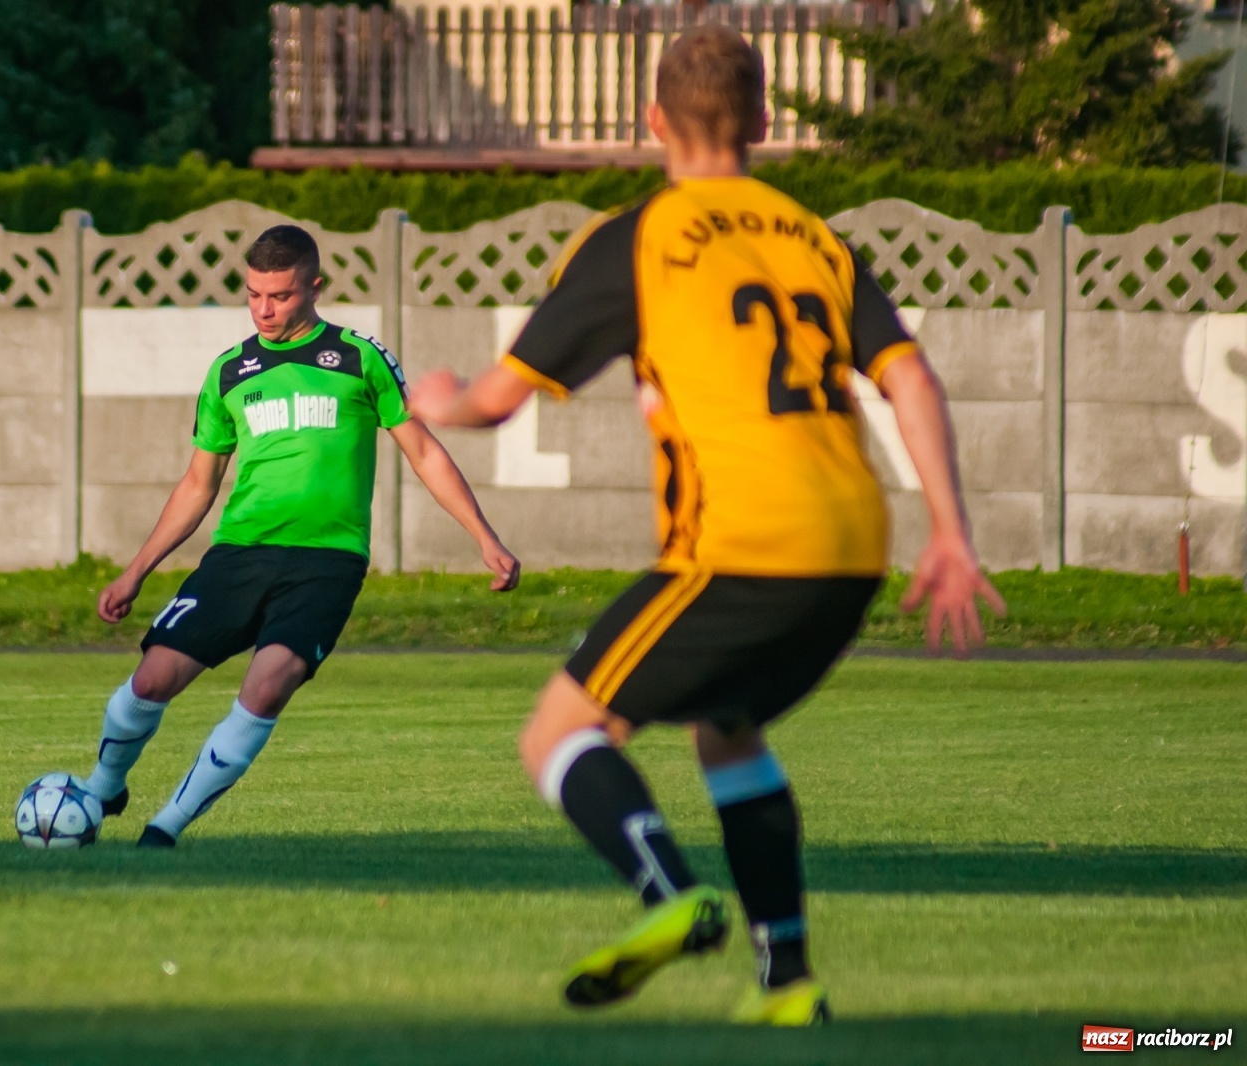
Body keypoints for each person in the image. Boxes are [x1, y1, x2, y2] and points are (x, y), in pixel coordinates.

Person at [407, 25, 1004, 1025]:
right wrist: (950, 529)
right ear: (764, 122)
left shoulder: (638, 238)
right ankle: (787, 983)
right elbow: (909, 375)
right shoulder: (816, 238)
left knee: (560, 731)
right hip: (854, 546)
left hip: (741, 544)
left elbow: (504, 397)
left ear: (652, 121)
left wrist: (443, 397)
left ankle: (669, 896)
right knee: (727, 731)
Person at [85, 224, 520, 849]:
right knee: (152, 680)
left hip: (327, 563)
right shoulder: (230, 372)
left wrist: (484, 536)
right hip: (239, 553)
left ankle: (165, 829)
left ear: (315, 288)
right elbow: (197, 484)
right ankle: (104, 786)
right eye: (254, 294)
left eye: (281, 296)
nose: (264, 309)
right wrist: (136, 571)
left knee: (268, 684)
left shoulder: (359, 358)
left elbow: (423, 451)